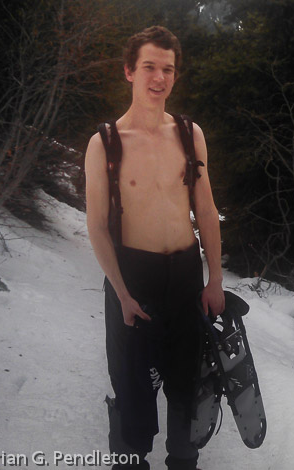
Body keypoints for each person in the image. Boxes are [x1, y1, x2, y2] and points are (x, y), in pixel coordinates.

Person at [84, 26, 225, 470]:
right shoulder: (105, 143)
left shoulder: (188, 134)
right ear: (129, 71)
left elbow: (206, 209)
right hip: (133, 281)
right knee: (132, 390)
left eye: (167, 69)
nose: (158, 77)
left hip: (185, 277)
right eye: (149, 67)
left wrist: (215, 278)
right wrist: (122, 293)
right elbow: (97, 227)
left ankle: (183, 461)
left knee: (188, 385)